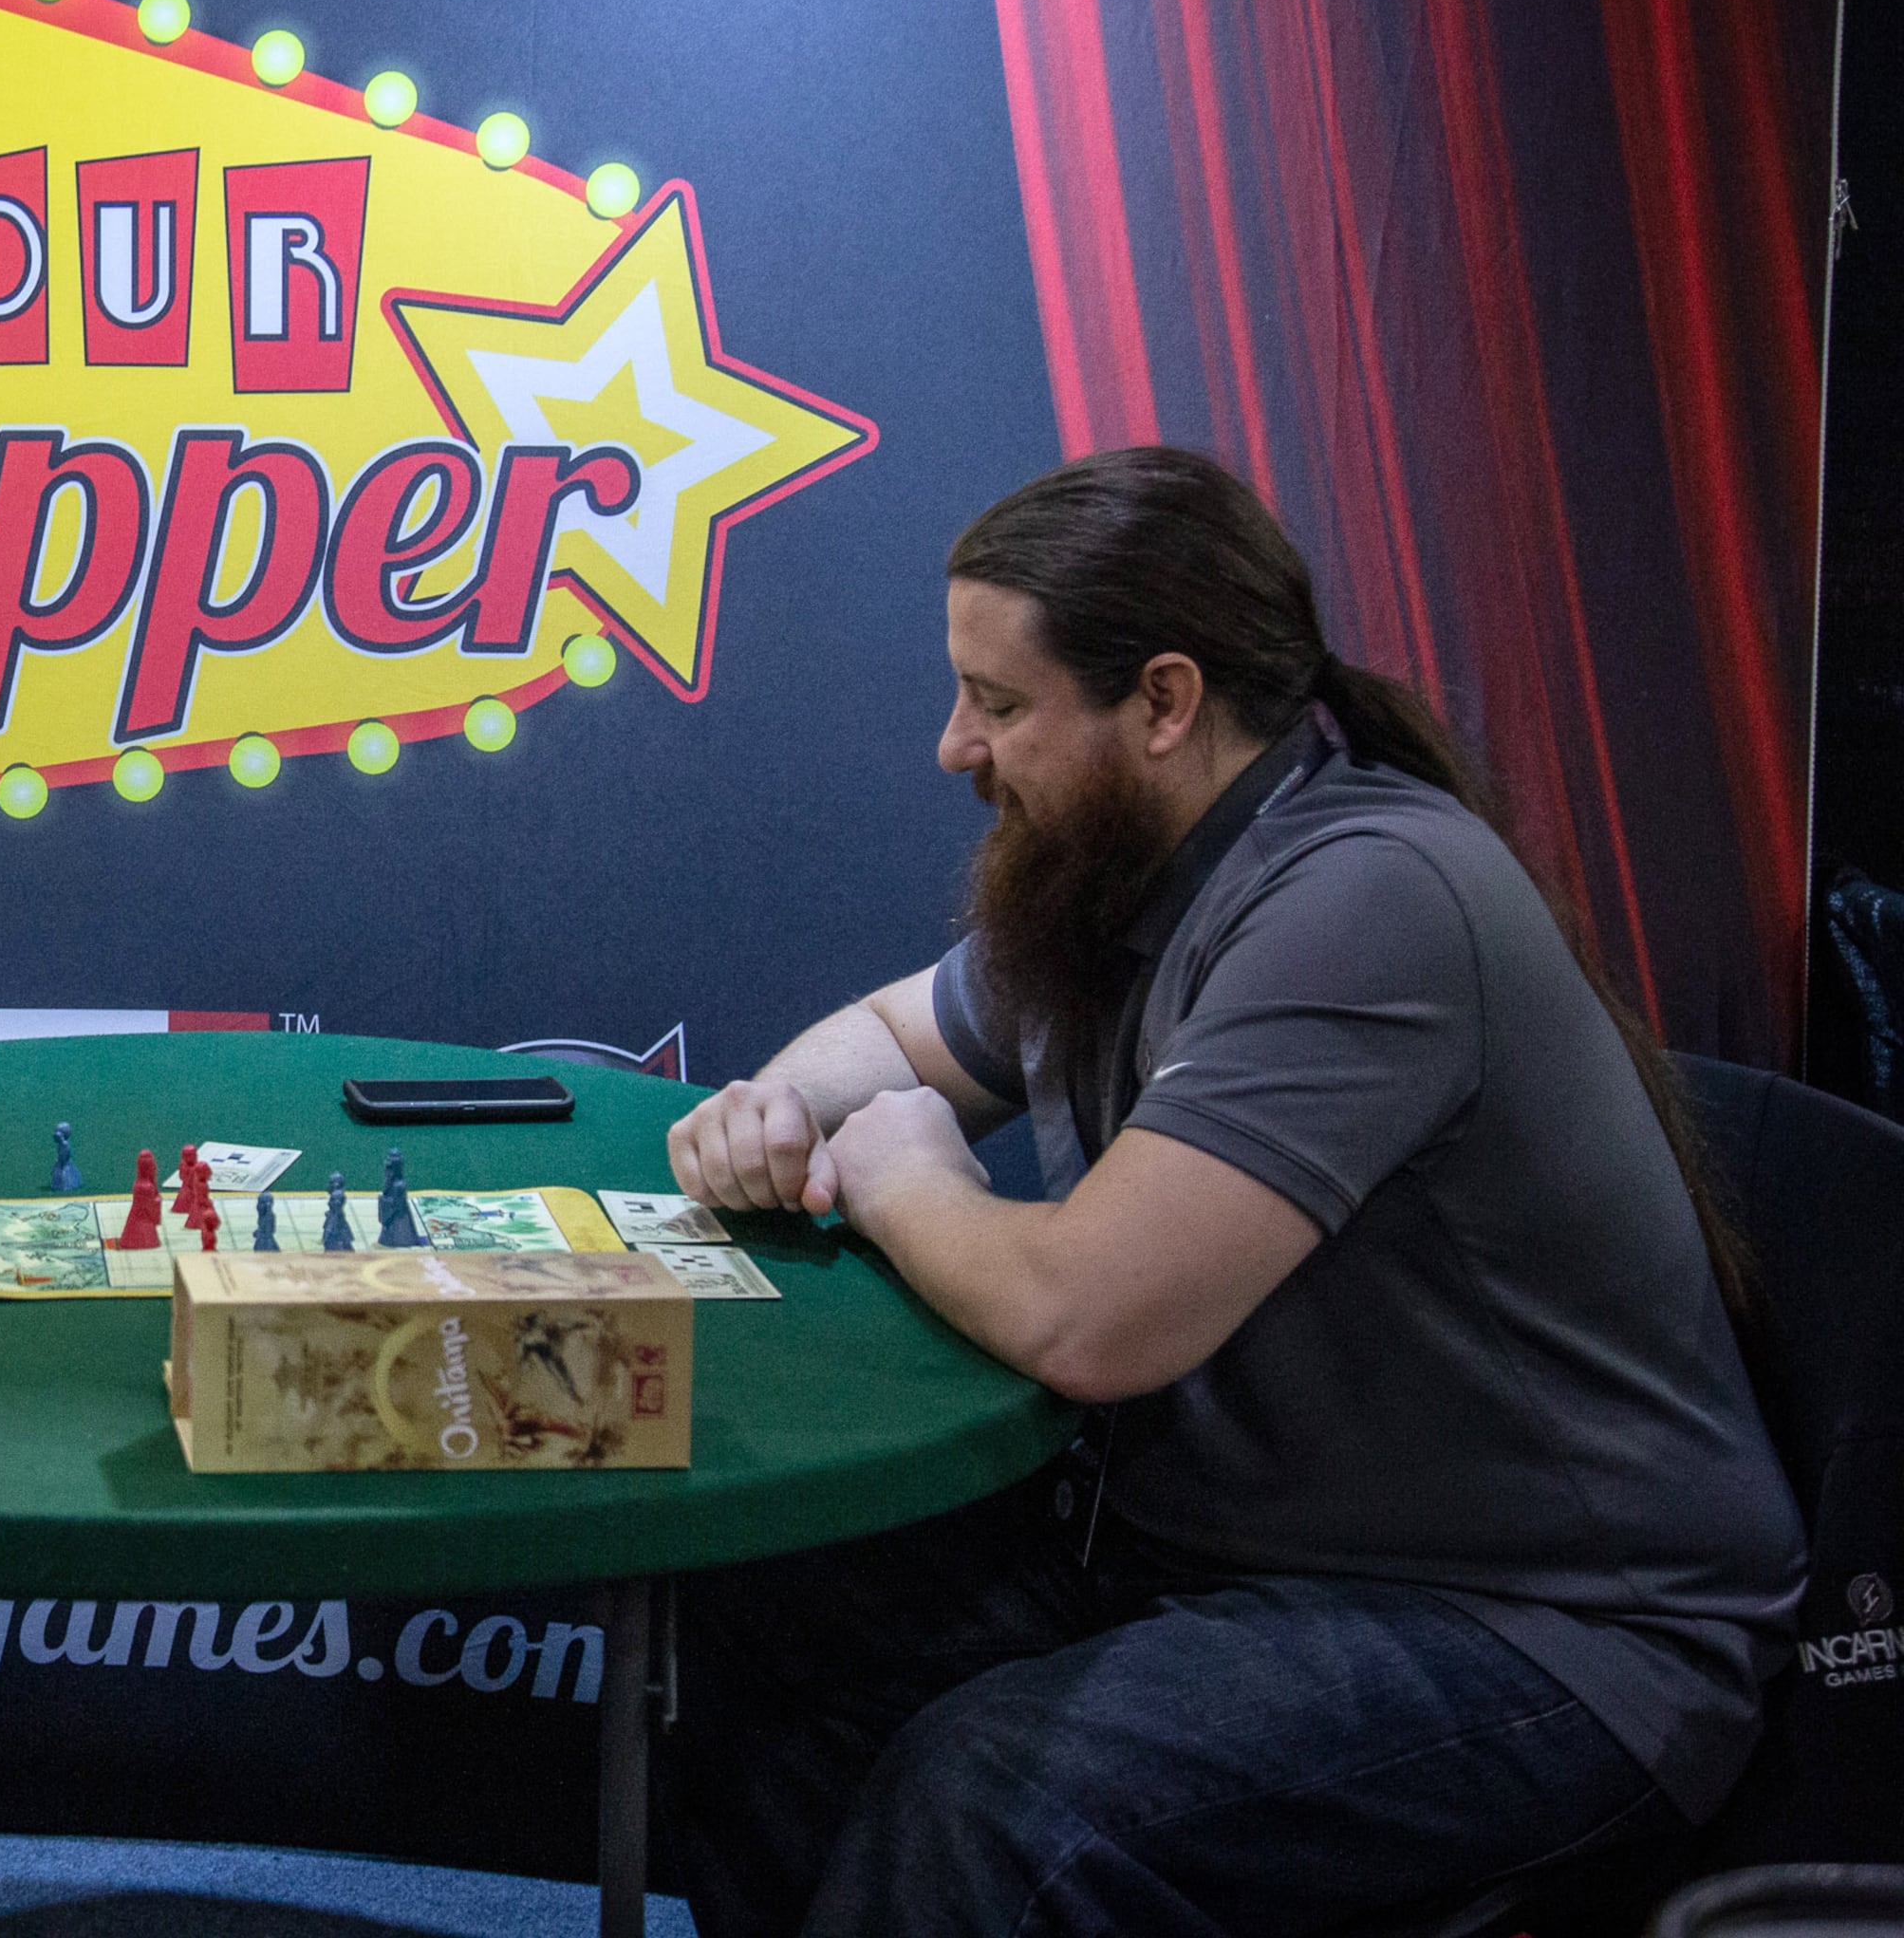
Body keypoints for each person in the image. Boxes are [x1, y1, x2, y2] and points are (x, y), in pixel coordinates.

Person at [659, 446, 1804, 1938]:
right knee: (761, 1597)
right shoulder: (1109, 862)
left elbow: (1090, 1322)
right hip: (1231, 1553)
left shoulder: (1371, 896)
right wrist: (778, 1109)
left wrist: (904, 1170)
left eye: (1000, 705)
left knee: (996, 1800)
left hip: (1552, 1633)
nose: (955, 746)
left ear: (1165, 703)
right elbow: (892, 1039)